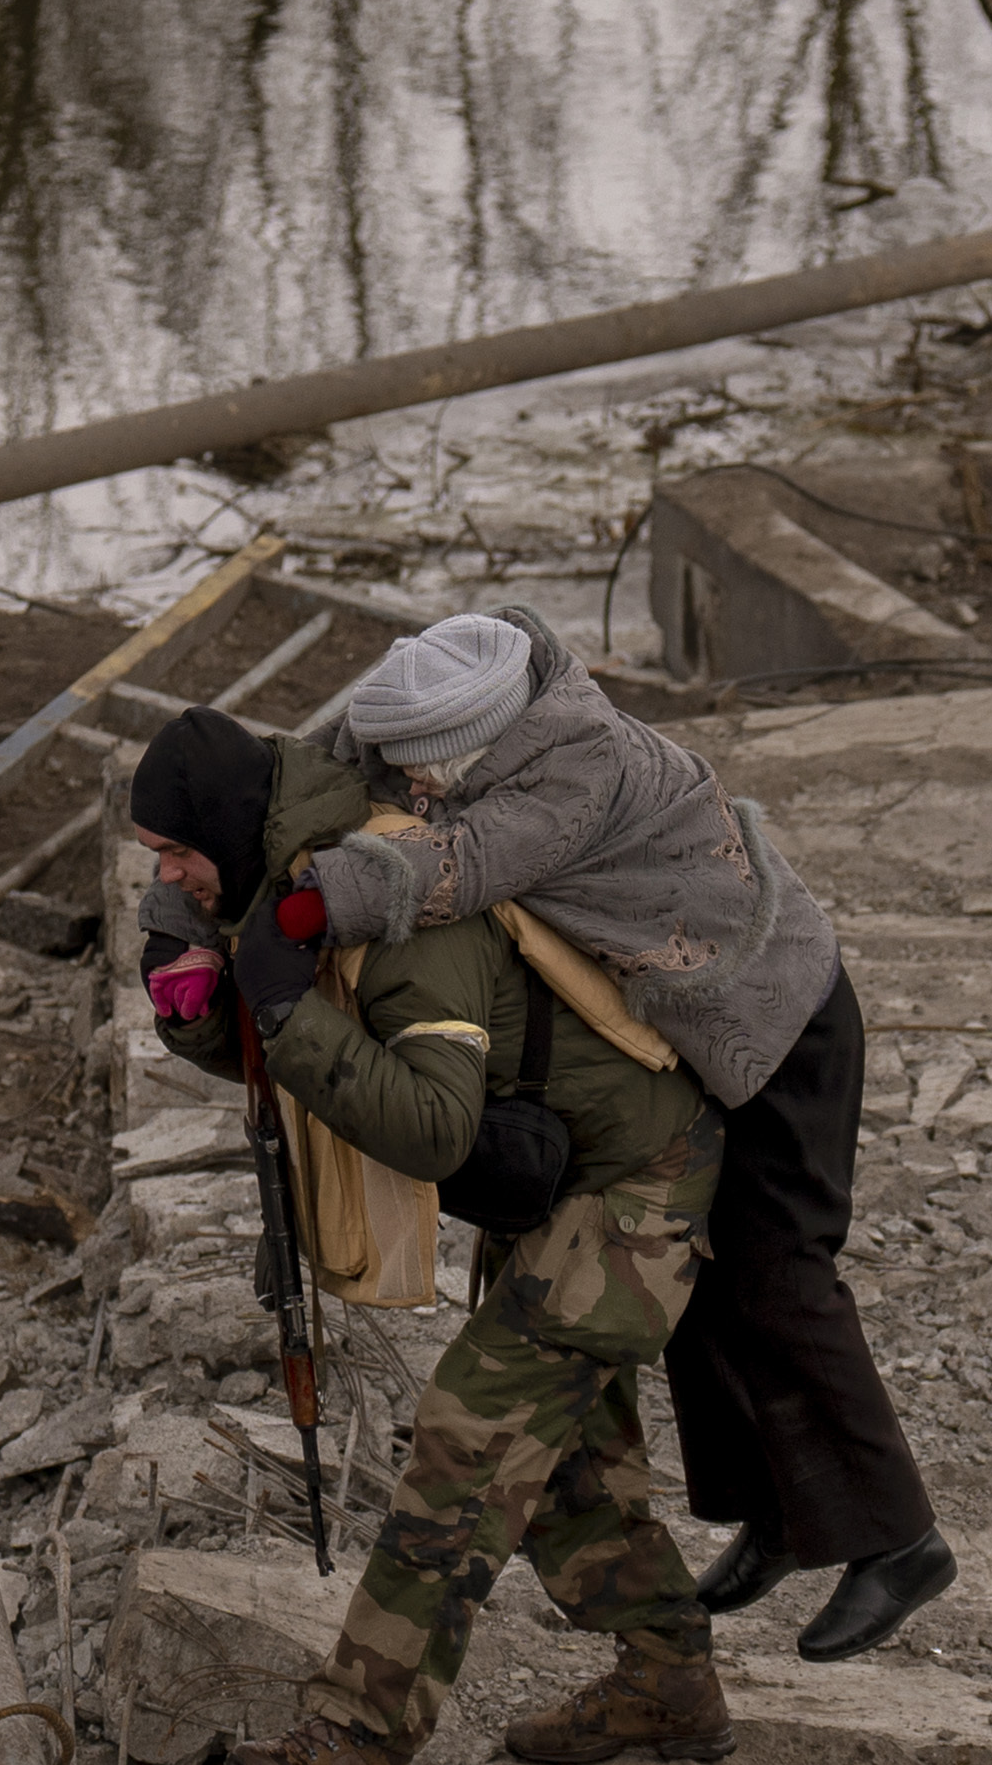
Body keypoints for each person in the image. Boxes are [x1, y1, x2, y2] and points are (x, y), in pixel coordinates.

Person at [281, 613, 953, 1662]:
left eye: (427, 773)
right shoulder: (451, 692)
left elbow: (455, 866)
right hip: (694, 1029)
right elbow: (319, 763)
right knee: (703, 1279)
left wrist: (296, 911)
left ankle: (900, 1541)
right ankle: (780, 1513)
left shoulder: (577, 763)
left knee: (783, 1275)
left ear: (478, 741)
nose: (413, 790)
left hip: (777, 1014)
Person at [132, 706, 737, 1765]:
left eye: (175, 853)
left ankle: (359, 1738)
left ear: (224, 826)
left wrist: (276, 1002)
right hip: (565, 1181)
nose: (166, 876)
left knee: (468, 1444)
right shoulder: (284, 883)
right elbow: (313, 1042)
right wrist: (203, 1009)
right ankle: (668, 1681)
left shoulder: (393, 899)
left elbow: (430, 1126)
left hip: (639, 1183)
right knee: (561, 1461)